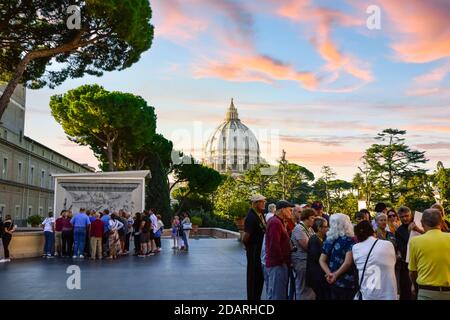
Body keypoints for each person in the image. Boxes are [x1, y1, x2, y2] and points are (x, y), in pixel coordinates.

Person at [409, 208, 450, 300]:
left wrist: (415, 287)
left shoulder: (415, 241)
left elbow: (412, 271)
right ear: (442, 222)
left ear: (422, 223)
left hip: (426, 292)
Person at [352, 220, 398, 300]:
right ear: (373, 232)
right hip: (388, 294)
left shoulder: (355, 248)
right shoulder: (388, 244)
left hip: (368, 294)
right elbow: (393, 262)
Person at [319, 213, 356, 300]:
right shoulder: (349, 240)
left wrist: (329, 274)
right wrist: (335, 275)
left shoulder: (329, 240)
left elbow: (321, 260)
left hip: (332, 281)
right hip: (347, 282)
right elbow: (348, 262)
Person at [265, 200, 294, 300]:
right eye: (290, 210)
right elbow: (274, 245)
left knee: (278, 293)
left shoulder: (278, 222)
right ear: (282, 210)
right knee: (277, 295)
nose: (291, 212)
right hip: (277, 265)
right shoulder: (275, 223)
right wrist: (282, 261)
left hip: (279, 264)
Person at [243, 194, 267, 300]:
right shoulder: (251, 217)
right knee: (253, 275)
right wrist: (249, 248)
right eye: (261, 201)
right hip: (254, 250)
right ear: (255, 203)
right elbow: (245, 237)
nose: (264, 203)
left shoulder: (260, 215)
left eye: (264, 201)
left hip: (260, 250)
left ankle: (257, 297)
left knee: (259, 275)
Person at [395, 206, 421, 300]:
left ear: (411, 215)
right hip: (408, 265)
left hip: (422, 262)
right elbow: (404, 250)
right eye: (402, 217)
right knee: (408, 293)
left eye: (407, 216)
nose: (405, 218)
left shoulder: (420, 223)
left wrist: (417, 229)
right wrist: (410, 233)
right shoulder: (399, 231)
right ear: (399, 217)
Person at [291, 208, 316, 300]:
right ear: (306, 218)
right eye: (312, 218)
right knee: (302, 287)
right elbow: (307, 246)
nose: (314, 220)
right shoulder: (299, 229)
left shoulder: (309, 229)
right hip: (301, 261)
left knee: (309, 288)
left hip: (307, 261)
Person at [306, 217, 330, 300]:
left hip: (319, 275)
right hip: (317, 276)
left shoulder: (322, 238)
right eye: (325, 226)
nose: (328, 228)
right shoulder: (314, 240)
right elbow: (316, 257)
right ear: (319, 228)